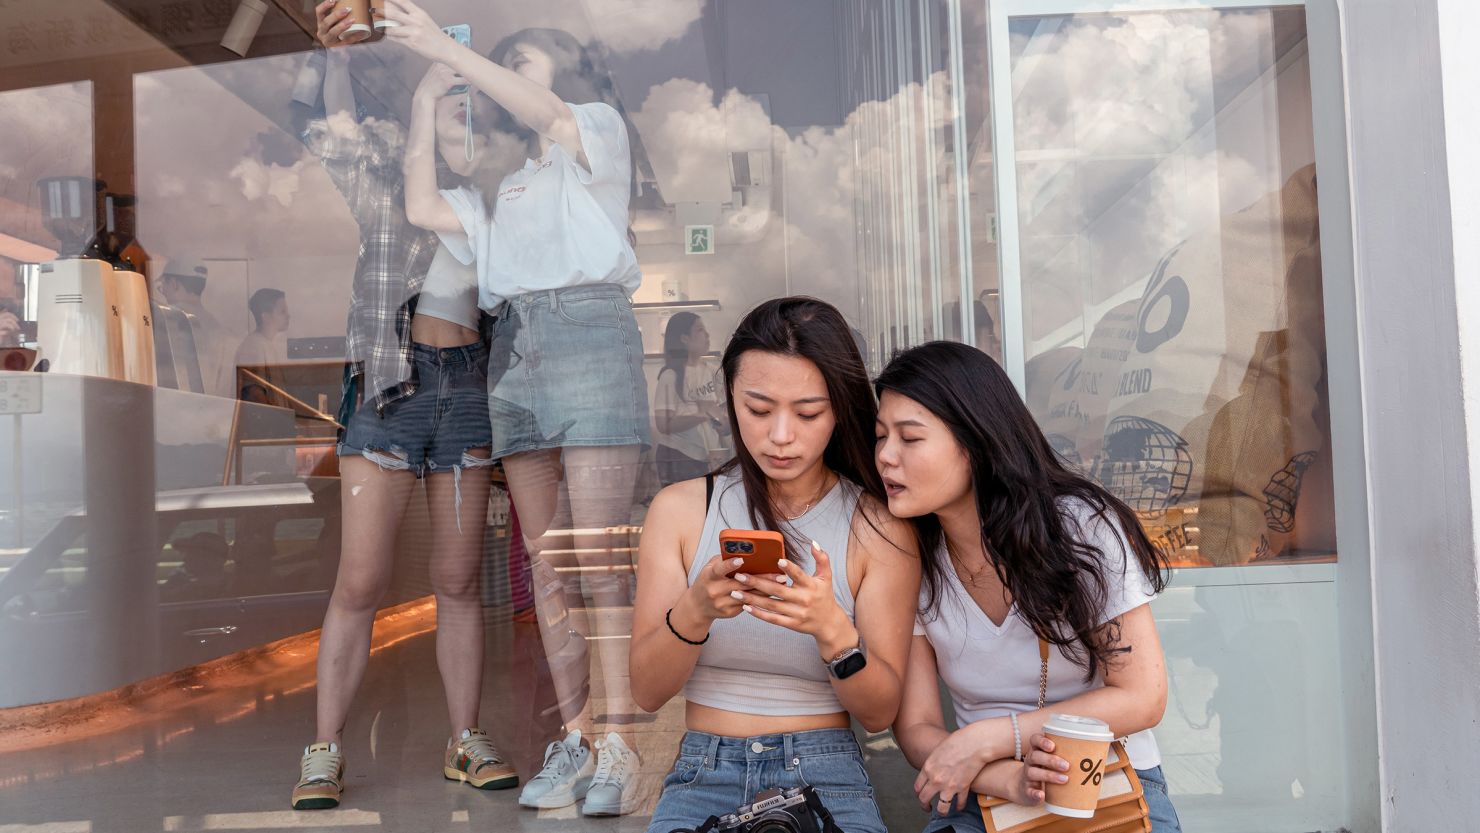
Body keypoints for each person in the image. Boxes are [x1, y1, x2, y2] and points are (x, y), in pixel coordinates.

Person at [389, 4, 652, 816]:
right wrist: (423, 100)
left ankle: (619, 743)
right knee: (546, 564)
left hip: (589, 336)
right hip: (518, 352)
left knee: (599, 558)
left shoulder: (594, 133)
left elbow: (549, 112)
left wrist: (447, 50)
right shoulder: (504, 187)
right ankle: (574, 733)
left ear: (561, 75)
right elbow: (421, 205)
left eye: (525, 62)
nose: (512, 80)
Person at [287, 0, 511, 812]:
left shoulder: (496, 206)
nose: (460, 111)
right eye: (449, 99)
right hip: (391, 382)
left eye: (468, 105)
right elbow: (336, 130)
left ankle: (464, 737)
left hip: (467, 390)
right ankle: (325, 749)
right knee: (362, 580)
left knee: (457, 579)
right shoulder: (387, 182)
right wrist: (338, 57)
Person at [630, 297, 920, 833]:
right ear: (730, 400)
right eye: (759, 410)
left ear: (839, 410)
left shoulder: (878, 527)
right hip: (703, 769)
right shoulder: (681, 510)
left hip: (825, 767)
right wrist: (695, 609)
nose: (781, 435)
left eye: (808, 413)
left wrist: (833, 631)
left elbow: (879, 713)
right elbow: (647, 692)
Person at [875, 341, 1182, 833]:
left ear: (974, 444)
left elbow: (1143, 696)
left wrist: (989, 738)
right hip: (982, 794)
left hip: (1102, 787)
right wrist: (1004, 775)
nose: (885, 457)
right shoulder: (910, 557)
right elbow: (916, 728)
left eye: (910, 439)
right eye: (880, 437)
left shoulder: (1080, 527)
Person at [654, 312, 728, 486]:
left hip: (710, 456)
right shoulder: (670, 375)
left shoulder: (712, 371)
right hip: (678, 456)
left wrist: (724, 424)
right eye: (700, 330)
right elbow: (663, 424)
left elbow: (722, 416)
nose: (707, 335)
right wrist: (703, 414)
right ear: (684, 338)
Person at [158, 256, 237, 397]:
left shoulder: (164, 320)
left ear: (174, 283)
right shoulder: (219, 328)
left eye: (163, 284)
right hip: (217, 413)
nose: (162, 290)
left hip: (176, 410)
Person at [236, 288, 291, 405]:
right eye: (282, 312)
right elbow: (254, 393)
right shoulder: (253, 346)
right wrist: (277, 418)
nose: (288, 316)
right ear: (265, 316)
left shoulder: (266, 344)